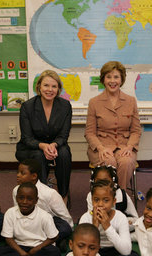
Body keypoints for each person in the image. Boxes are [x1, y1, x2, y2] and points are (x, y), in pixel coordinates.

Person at [15, 70, 72, 202]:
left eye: (54, 86)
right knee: (39, 155)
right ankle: (42, 196)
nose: (49, 90)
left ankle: (63, 195)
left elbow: (64, 135)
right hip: (31, 147)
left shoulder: (65, 106)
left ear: (58, 89)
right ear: (39, 87)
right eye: (46, 85)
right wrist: (43, 146)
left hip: (55, 146)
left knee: (64, 153)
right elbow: (27, 138)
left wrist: (53, 145)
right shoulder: (27, 107)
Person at [85, 61, 141, 189]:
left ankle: (120, 196)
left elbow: (136, 131)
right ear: (103, 79)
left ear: (121, 79)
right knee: (109, 162)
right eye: (108, 77)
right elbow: (89, 133)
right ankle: (108, 196)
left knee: (126, 162)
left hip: (124, 146)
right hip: (102, 146)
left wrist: (130, 147)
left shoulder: (131, 101)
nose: (112, 81)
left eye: (116, 77)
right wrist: (100, 148)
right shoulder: (94, 102)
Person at [79, 180, 141, 256]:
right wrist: (94, 227)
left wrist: (107, 226)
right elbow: (83, 247)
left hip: (114, 252)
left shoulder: (120, 217)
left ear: (114, 202)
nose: (100, 204)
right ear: (91, 200)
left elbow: (126, 250)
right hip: (94, 253)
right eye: (96, 200)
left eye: (106, 200)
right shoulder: (86, 217)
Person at [0, 182, 60, 256]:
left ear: (36, 200)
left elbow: (54, 237)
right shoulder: (10, 213)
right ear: (16, 198)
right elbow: (8, 238)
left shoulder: (44, 216)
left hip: (38, 248)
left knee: (55, 253)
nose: (25, 202)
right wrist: (21, 252)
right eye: (21, 198)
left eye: (29, 199)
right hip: (18, 247)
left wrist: (36, 248)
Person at [13, 159, 73, 251]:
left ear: (34, 176)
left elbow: (66, 218)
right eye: (18, 172)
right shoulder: (15, 191)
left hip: (48, 223)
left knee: (65, 227)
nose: (18, 175)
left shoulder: (49, 194)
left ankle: (43, 240)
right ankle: (47, 242)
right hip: (27, 221)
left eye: (22, 173)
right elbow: (17, 212)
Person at [85, 165, 138, 229]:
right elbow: (90, 216)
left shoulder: (122, 195)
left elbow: (135, 219)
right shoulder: (91, 195)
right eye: (99, 181)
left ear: (113, 181)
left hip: (120, 227)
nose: (102, 185)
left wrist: (120, 223)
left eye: (106, 181)